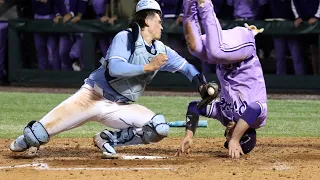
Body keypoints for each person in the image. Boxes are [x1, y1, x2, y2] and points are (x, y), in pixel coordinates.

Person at [9, 0, 212, 157]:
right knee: (35, 136)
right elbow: (115, 68)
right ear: (147, 20)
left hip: (119, 106)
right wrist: (149, 66)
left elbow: (188, 68)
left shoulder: (161, 50)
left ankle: (108, 138)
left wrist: (201, 84)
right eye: (158, 21)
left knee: (159, 128)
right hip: (90, 98)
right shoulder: (125, 38)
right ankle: (28, 141)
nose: (162, 25)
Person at [176, 0, 267, 158]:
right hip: (244, 49)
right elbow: (254, 109)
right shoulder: (256, 121)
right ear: (244, 135)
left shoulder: (225, 117)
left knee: (194, 48)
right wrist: (235, 139)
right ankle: (205, 3)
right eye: (228, 138)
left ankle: (190, 3)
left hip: (224, 55)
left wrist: (189, 135)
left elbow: (194, 107)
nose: (226, 137)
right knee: (217, 53)